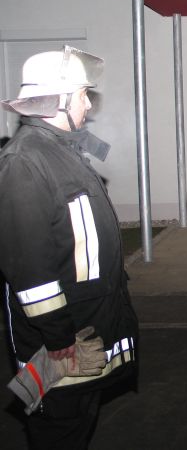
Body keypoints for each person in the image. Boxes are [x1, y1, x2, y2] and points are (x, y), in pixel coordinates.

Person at [0, 46, 138, 449]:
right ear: (58, 100)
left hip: (87, 320)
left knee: (79, 420)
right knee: (60, 429)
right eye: (82, 94)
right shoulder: (24, 162)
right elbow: (31, 269)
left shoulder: (59, 149)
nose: (88, 103)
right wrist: (60, 340)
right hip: (61, 339)